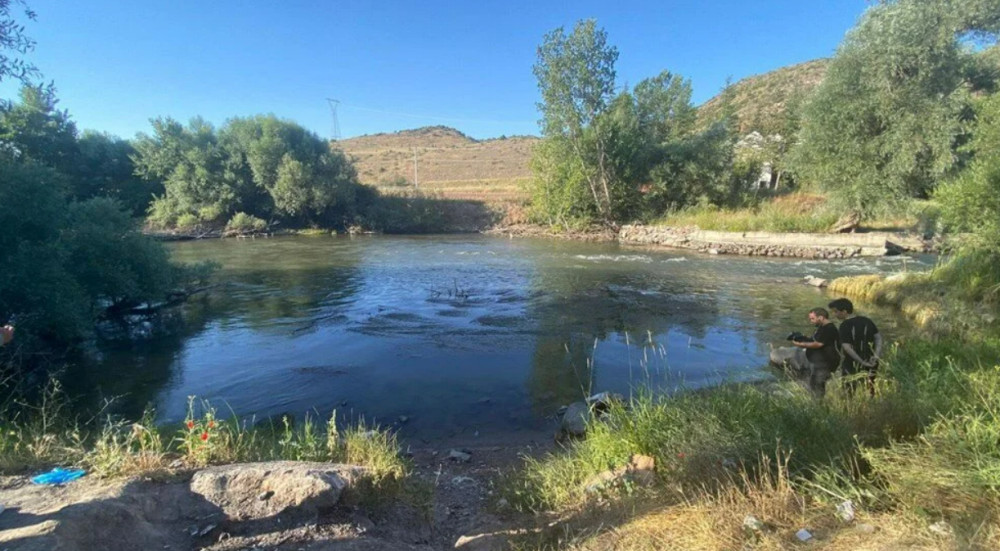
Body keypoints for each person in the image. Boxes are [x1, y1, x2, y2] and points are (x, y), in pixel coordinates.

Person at [828, 298, 882, 395]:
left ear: (844, 311)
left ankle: (850, 409)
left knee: (849, 391)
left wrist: (861, 362)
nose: (834, 315)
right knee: (870, 389)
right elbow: (878, 338)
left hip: (852, 364)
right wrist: (876, 356)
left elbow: (846, 347)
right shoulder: (867, 321)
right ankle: (870, 406)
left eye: (836, 312)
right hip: (871, 360)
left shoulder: (844, 325)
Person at [791, 307, 840, 397]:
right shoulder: (821, 327)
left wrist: (801, 345)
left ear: (821, 317)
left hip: (825, 364)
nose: (811, 321)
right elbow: (814, 339)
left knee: (818, 386)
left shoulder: (829, 328)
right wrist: (802, 338)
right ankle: (816, 403)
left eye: (812, 318)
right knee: (814, 384)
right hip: (819, 363)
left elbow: (818, 344)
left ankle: (818, 406)